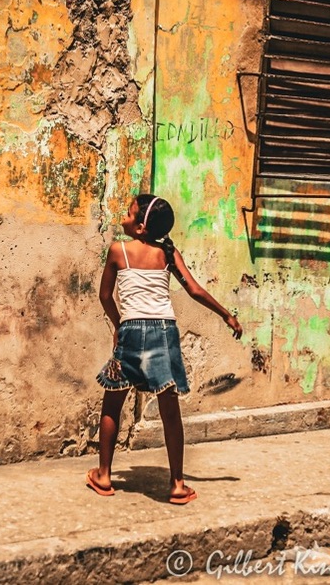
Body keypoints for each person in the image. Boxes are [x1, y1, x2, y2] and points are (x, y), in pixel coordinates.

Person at [87, 194, 242, 504]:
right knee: (170, 411)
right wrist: (227, 314)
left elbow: (105, 296)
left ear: (142, 227)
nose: (125, 217)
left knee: (113, 403)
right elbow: (194, 289)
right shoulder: (167, 253)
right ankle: (177, 484)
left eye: (130, 214)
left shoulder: (118, 251)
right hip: (164, 331)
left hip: (132, 329)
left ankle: (104, 475)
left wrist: (119, 325)